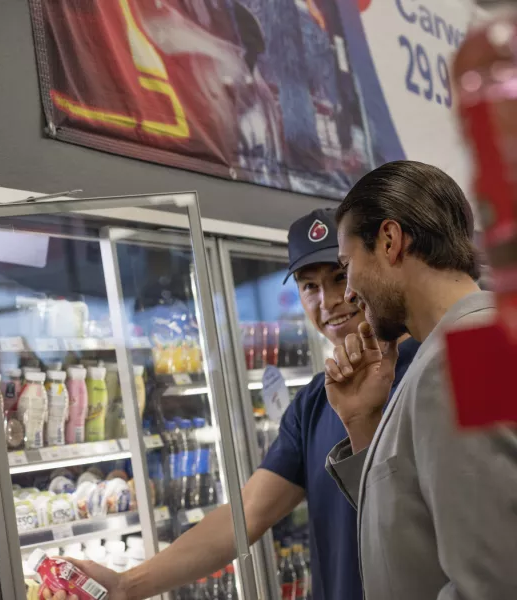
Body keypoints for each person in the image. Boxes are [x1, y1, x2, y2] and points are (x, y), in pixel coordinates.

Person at [50, 208, 419, 600]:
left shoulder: (425, 372)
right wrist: (128, 584)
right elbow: (246, 514)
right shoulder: (313, 401)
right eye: (309, 285)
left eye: (339, 277)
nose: (327, 301)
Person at [323, 160, 517, 599]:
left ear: (390, 241)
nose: (349, 291)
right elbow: (418, 536)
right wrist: (363, 421)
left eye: (345, 264)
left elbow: (494, 582)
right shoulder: (460, 347)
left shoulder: (459, 358)